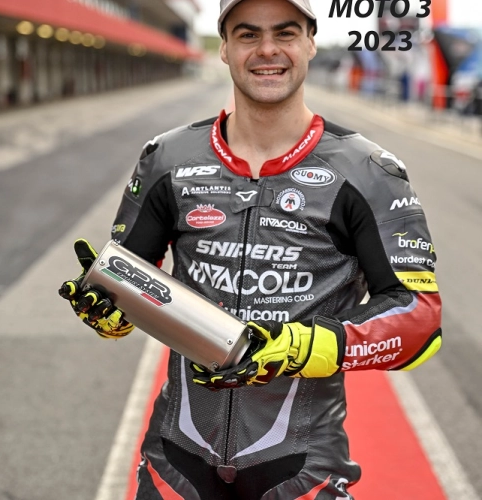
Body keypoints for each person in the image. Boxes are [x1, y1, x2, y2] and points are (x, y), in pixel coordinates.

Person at [59, 0, 442, 498]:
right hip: (175, 462)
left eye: (285, 33)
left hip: (303, 469)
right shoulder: (166, 158)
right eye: (247, 34)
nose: (267, 50)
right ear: (224, 47)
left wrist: (298, 347)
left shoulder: (369, 171)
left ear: (310, 42)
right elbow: (128, 281)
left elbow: (419, 317)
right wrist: (109, 309)